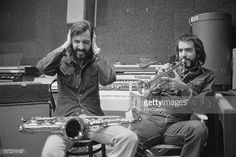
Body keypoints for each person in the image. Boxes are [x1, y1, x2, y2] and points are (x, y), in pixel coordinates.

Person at [36, 20, 138, 157]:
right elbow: (42, 67)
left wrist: (96, 50)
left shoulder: (96, 60)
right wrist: (65, 45)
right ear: (71, 40)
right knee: (50, 151)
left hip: (93, 121)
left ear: (92, 41)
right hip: (65, 123)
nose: (81, 46)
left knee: (130, 138)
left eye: (86, 42)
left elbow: (108, 79)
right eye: (76, 41)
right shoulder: (62, 59)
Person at [132, 34, 215, 157]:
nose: (183, 54)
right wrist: (156, 83)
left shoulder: (207, 76)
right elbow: (150, 101)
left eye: (188, 50)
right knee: (129, 138)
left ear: (198, 53)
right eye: (181, 50)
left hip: (179, 123)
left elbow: (203, 106)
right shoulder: (170, 70)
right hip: (155, 119)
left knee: (199, 129)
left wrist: (184, 88)